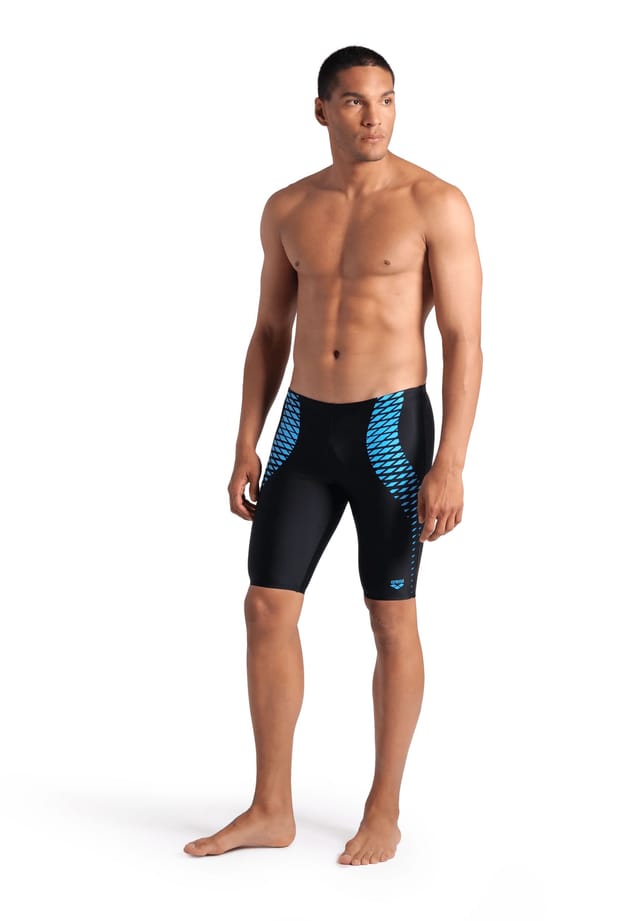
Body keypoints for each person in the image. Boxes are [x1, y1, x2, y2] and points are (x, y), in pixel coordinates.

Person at [184, 45, 483, 867]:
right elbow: (268, 332)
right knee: (265, 607)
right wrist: (244, 438)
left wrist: (452, 459)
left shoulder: (435, 202)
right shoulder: (288, 207)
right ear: (321, 110)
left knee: (391, 617)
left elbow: (463, 339)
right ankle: (270, 807)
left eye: (386, 99)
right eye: (354, 101)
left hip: (391, 431)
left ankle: (384, 809)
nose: (373, 117)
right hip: (304, 430)